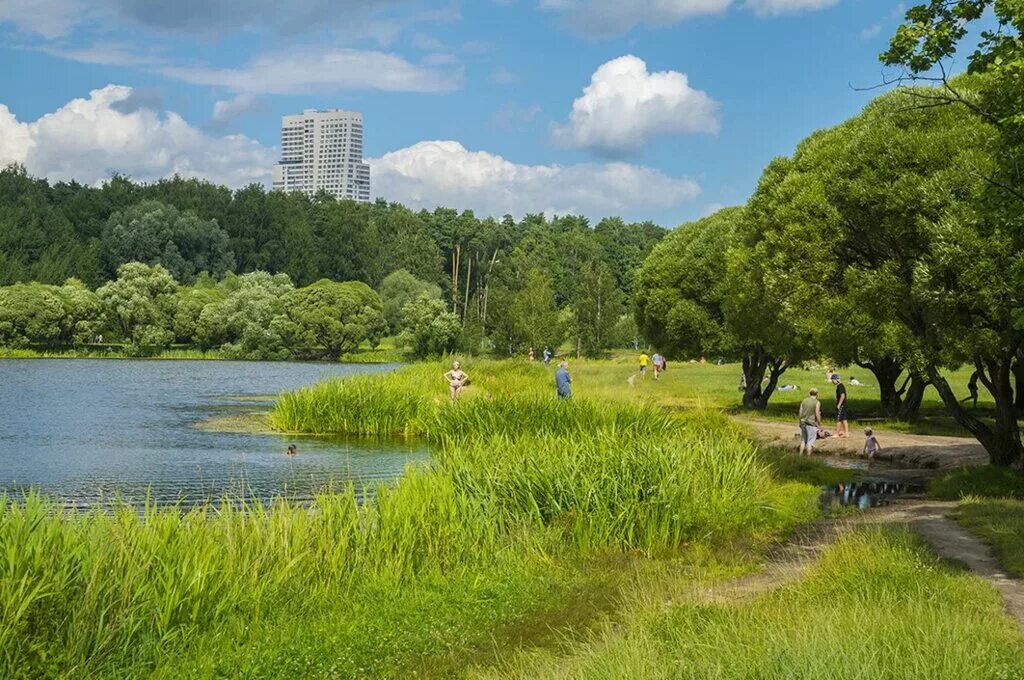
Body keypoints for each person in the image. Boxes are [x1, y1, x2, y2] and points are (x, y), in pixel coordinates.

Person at [798, 388, 822, 456]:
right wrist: (819, 424)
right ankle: (808, 458)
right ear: (817, 394)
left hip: (803, 422)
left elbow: (800, 412)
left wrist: (800, 421)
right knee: (810, 442)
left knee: (803, 441)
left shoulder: (804, 401)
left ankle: (800, 456)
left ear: (810, 393)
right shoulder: (817, 402)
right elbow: (817, 413)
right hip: (811, 423)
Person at [831, 374, 849, 438]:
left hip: (841, 405)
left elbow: (842, 395)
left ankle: (837, 434)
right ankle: (846, 433)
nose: (832, 381)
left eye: (832, 380)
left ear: (836, 379)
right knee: (844, 418)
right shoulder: (841, 385)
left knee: (838, 419)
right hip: (843, 405)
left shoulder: (840, 386)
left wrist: (838, 405)